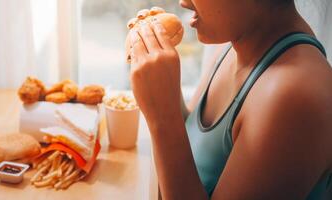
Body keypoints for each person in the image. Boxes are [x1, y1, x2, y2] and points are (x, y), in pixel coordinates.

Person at [128, 0, 332, 199]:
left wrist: (163, 119)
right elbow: (192, 150)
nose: (182, 2)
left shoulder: (295, 96)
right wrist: (163, 90)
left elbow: (171, 131)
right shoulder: (233, 43)